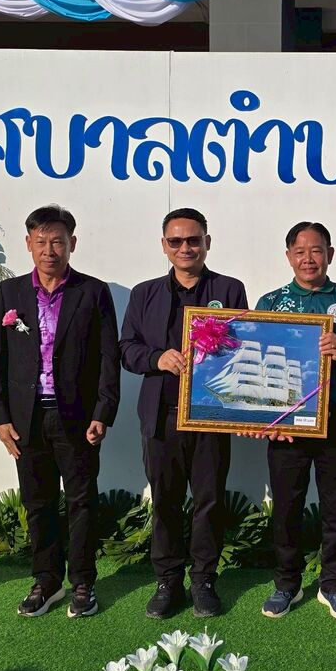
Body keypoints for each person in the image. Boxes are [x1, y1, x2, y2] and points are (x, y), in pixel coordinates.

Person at [0, 205, 121, 619]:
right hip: (25, 419)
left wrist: (103, 411)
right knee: (38, 502)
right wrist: (0, 417)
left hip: (77, 418)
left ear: (72, 244)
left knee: (82, 501)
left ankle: (82, 582)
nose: (50, 250)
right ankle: (46, 581)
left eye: (58, 241)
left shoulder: (93, 292)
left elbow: (108, 358)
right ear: (28, 244)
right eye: (42, 241)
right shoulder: (9, 292)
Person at [250, 222, 336, 621]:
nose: (309, 259)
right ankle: (286, 584)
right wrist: (257, 415)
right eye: (300, 251)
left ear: (330, 254)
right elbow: (256, 361)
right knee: (286, 508)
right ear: (288, 256)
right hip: (286, 425)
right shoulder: (271, 302)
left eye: (317, 250)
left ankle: (333, 584)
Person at [120, 208, 247, 618]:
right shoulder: (144, 294)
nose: (185, 248)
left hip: (211, 414)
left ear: (207, 242)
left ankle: (204, 580)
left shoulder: (229, 289)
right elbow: (127, 349)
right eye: (175, 241)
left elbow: (244, 347)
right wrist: (157, 358)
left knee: (209, 500)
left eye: (193, 240)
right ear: (164, 246)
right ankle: (168, 581)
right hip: (161, 415)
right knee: (165, 501)